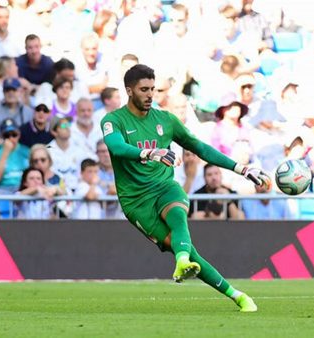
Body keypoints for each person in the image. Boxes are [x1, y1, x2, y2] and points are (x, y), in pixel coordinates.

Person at [100, 64, 269, 312]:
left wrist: (242, 169)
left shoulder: (166, 119)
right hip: (136, 201)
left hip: (164, 186)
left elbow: (199, 147)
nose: (149, 95)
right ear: (129, 91)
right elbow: (116, 147)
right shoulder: (113, 120)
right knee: (189, 252)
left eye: (153, 89)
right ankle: (236, 295)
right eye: (143, 89)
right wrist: (149, 152)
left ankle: (183, 262)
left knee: (178, 215)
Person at [0, 118, 30, 193]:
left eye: (14, 135)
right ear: (1, 136)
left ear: (19, 135)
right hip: (2, 189)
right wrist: (5, 152)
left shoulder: (27, 152)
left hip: (24, 189)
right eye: (7, 135)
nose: (11, 138)